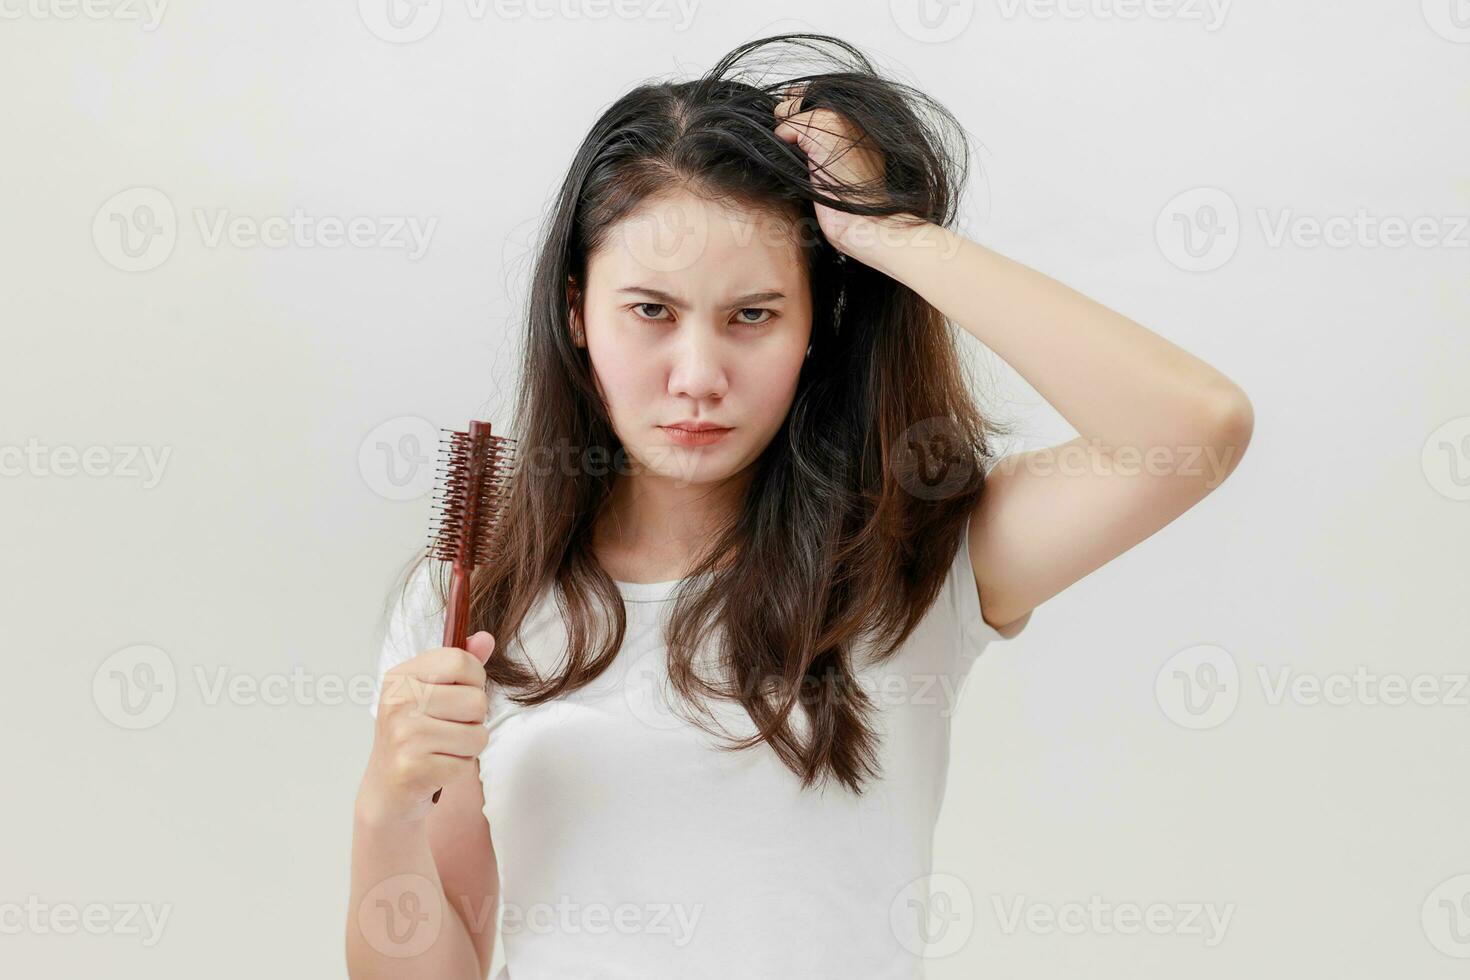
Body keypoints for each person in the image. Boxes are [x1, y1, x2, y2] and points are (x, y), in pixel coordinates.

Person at [346, 32, 1253, 979]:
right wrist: (385, 806)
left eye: (753, 315)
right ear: (577, 311)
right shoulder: (467, 602)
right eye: (651, 310)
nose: (698, 378)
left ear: (816, 324)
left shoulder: (913, 561)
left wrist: (887, 234)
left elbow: (1199, 427)